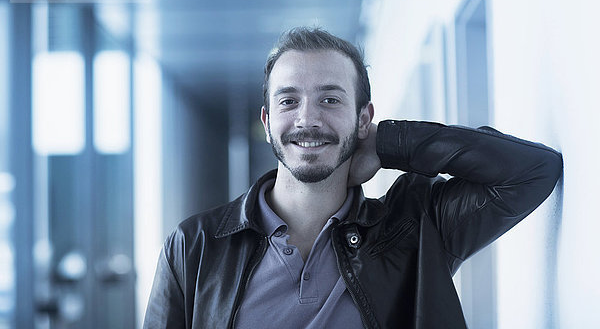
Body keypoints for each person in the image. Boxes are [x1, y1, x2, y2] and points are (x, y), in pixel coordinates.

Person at [143, 27, 563, 329]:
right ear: (268, 122)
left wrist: (391, 143)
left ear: (364, 118)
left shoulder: (415, 229)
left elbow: (530, 170)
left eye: (330, 99)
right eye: (289, 100)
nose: (307, 119)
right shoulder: (195, 245)